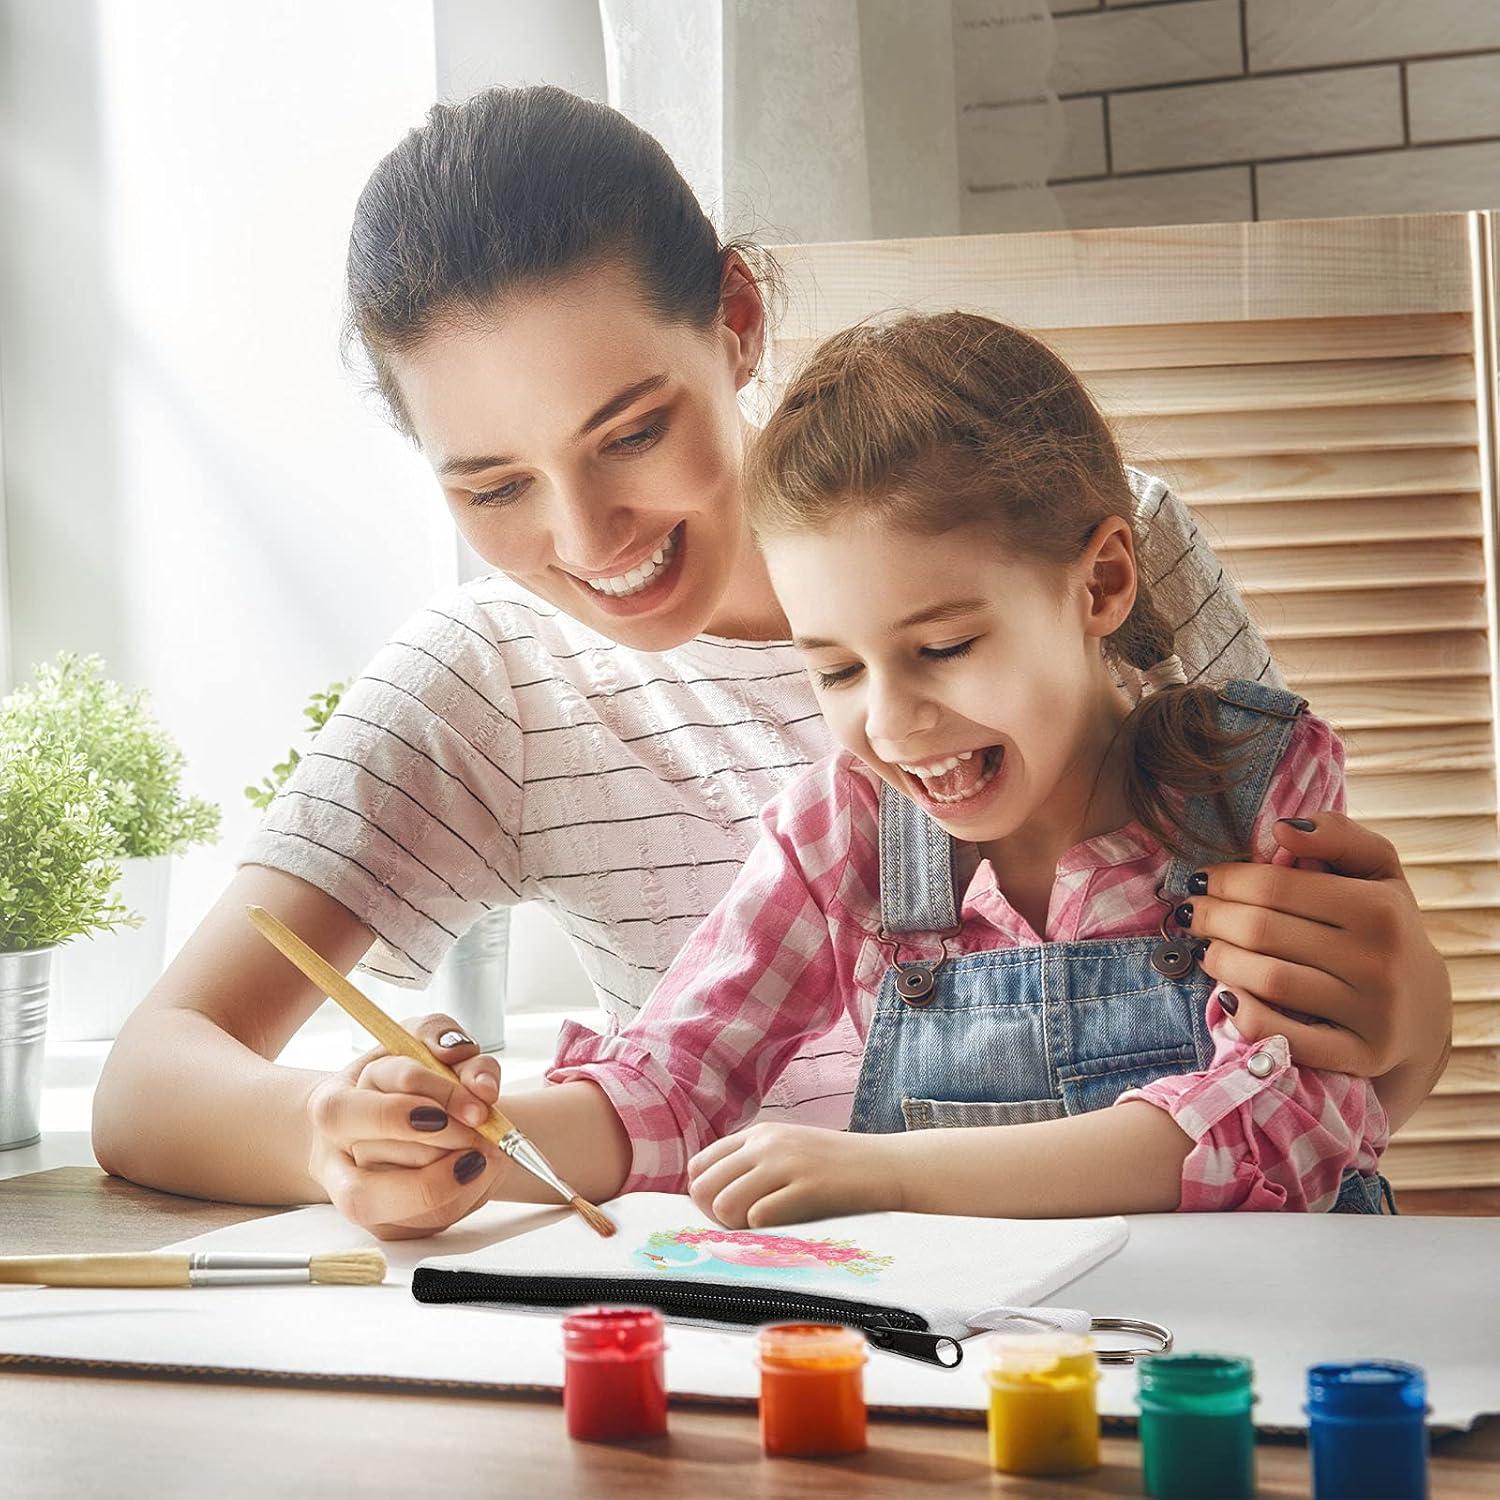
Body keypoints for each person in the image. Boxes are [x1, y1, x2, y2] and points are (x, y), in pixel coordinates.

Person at [92, 88, 1451, 1237]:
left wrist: (1407, 1005)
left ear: (735, 319)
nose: (588, 535)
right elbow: (153, 1080)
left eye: (628, 432)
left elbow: (1346, 1079)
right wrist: (374, 1139)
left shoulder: (1104, 547)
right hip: (875, 1334)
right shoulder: (508, 689)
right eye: (494, 484)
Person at [461, 312, 1390, 1224]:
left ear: (1101, 582)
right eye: (836, 669)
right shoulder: (841, 828)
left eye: (944, 647)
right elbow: (668, 1084)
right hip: (992, 1354)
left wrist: (895, 1175)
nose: (893, 723)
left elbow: (1286, 1119)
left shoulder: (1254, 781)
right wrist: (462, 1142)